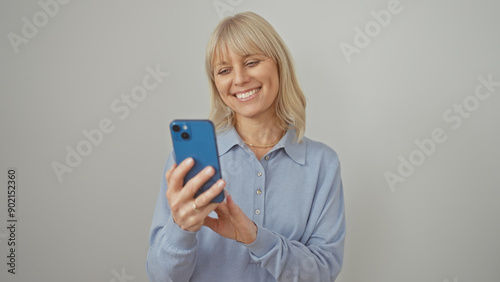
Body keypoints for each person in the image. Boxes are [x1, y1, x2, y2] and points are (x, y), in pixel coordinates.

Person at [146, 12, 345, 281]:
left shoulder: (323, 163)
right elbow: (160, 277)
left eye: (251, 62)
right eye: (224, 70)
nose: (239, 79)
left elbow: (322, 272)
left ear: (279, 65)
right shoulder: (188, 162)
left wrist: (253, 237)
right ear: (216, 84)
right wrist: (182, 229)